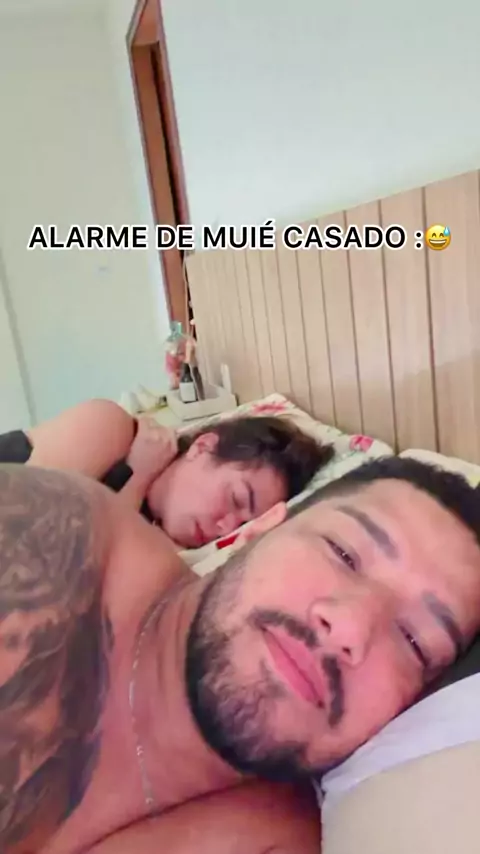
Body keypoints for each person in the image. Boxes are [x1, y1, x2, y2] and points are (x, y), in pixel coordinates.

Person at [2, 454, 480, 854]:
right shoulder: (44, 549)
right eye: (343, 553)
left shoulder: (275, 837)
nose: (350, 627)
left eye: (415, 641)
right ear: (257, 529)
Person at [0, 398, 332, 549]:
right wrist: (139, 477)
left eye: (242, 524)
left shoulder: (157, 543)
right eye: (236, 498)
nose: (226, 528)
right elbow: (22, 534)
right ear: (203, 447)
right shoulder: (111, 427)